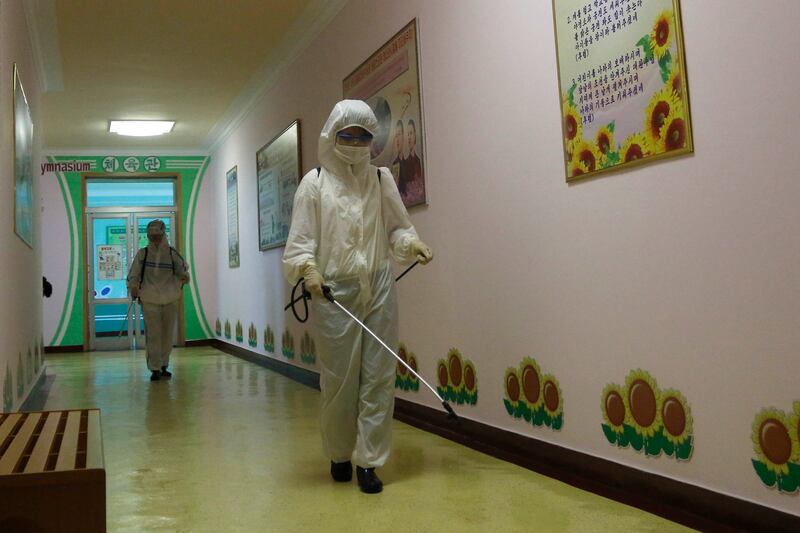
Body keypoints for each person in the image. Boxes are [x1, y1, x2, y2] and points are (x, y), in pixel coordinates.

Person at [283, 100, 433, 494]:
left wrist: (412, 244)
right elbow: (299, 243)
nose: (354, 142)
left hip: (379, 285)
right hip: (334, 292)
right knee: (340, 380)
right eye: (347, 135)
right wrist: (308, 270)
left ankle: (369, 461)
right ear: (332, 135)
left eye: (363, 136)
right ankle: (338, 453)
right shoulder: (313, 183)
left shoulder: (381, 178)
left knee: (379, 377)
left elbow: (398, 228)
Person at [126, 220, 190, 382]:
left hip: (170, 299)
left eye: (157, 236)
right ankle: (154, 368)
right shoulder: (143, 254)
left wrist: (184, 276)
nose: (154, 239)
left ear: (163, 235)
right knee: (153, 335)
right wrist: (133, 287)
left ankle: (164, 365)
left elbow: (182, 271)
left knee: (167, 334)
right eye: (151, 236)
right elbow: (134, 274)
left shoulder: (172, 253)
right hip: (150, 300)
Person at [403, 119, 424, 205]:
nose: (409, 137)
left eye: (411, 133)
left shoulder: (418, 160)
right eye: (407, 134)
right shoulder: (405, 163)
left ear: (415, 135)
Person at [390, 120, 406, 194]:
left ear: (403, 136)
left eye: (399, 134)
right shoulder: (394, 165)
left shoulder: (408, 162)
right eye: (396, 136)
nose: (397, 139)